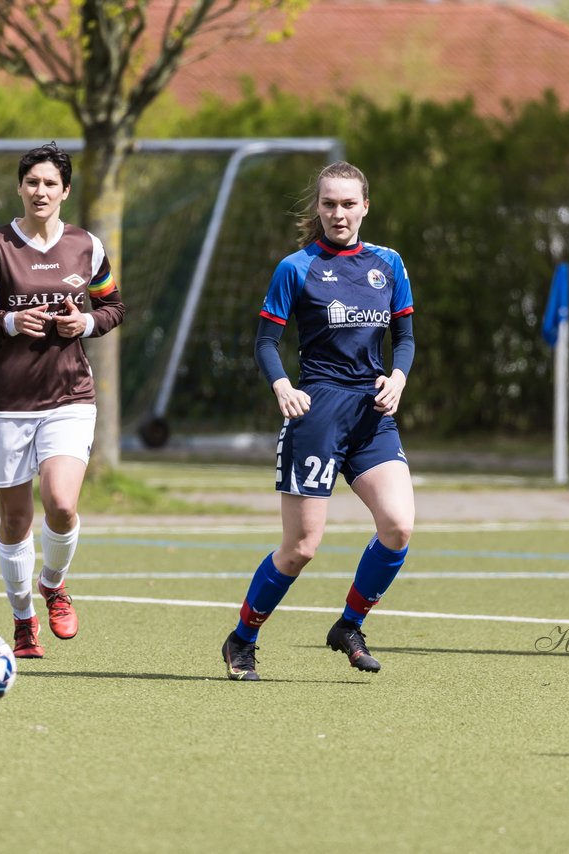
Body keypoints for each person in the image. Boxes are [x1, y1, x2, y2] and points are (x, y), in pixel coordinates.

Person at [220, 161, 415, 681]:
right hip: (317, 414)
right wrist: (282, 385)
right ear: (319, 208)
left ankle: (349, 625)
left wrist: (397, 377)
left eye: (348, 204)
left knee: (398, 526)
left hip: (373, 415)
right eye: (329, 204)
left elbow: (407, 338)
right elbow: (265, 342)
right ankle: (242, 639)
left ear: (365, 206)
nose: (338, 213)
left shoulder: (389, 264)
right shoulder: (296, 267)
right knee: (302, 547)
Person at [0, 142, 125, 659]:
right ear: (20, 188)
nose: (40, 191)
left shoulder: (87, 247)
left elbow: (113, 305)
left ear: (65, 191)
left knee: (63, 504)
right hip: (5, 401)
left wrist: (85, 322)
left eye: (51, 183)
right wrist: (5, 321)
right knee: (14, 521)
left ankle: (55, 584)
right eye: (32, 182)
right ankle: (24, 619)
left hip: (70, 394)